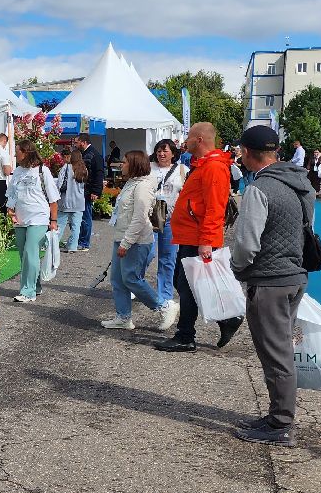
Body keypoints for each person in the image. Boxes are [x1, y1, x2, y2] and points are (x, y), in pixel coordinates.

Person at [229, 125, 315, 446]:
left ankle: (280, 423)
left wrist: (236, 270)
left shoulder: (259, 189)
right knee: (281, 348)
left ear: (248, 153)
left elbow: (247, 245)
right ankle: (277, 415)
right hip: (295, 275)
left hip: (269, 281)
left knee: (276, 353)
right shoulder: (299, 183)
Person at [154, 122, 243, 353]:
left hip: (198, 237)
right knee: (186, 284)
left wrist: (206, 241)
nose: (185, 141)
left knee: (188, 286)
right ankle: (224, 321)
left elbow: (215, 208)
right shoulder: (205, 165)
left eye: (190, 137)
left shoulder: (213, 167)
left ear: (200, 139)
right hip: (191, 234)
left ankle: (186, 335)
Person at [103, 150, 171, 330]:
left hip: (136, 241)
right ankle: (123, 316)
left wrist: (126, 242)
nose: (121, 165)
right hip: (123, 236)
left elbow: (140, 217)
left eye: (125, 162)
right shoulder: (132, 183)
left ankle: (163, 306)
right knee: (117, 279)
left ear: (134, 165)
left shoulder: (143, 186)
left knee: (132, 278)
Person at [6, 138, 60, 303]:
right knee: (25, 255)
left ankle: (27, 292)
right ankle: (35, 286)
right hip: (21, 218)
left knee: (30, 252)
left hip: (39, 216)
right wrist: (10, 209)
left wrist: (53, 220)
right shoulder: (18, 171)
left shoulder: (43, 171)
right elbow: (12, 193)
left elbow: (53, 199)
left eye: (18, 151)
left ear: (26, 152)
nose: (15, 154)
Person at [149, 139, 187, 328]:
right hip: (150, 218)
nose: (161, 154)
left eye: (165, 151)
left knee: (168, 259)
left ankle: (165, 297)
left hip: (171, 219)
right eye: (158, 151)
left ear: (173, 153)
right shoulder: (149, 168)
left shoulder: (182, 170)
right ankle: (138, 287)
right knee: (146, 253)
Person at [75, 133, 105, 251]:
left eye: (77, 142)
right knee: (81, 216)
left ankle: (84, 242)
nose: (75, 144)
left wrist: (96, 191)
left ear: (83, 142)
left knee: (86, 216)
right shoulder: (84, 154)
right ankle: (80, 239)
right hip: (82, 190)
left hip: (88, 191)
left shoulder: (94, 154)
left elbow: (99, 174)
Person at [53, 151, 87, 252]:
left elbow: (59, 183)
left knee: (60, 225)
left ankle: (53, 245)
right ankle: (72, 246)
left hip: (66, 201)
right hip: (79, 202)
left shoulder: (67, 167)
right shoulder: (83, 169)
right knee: (76, 227)